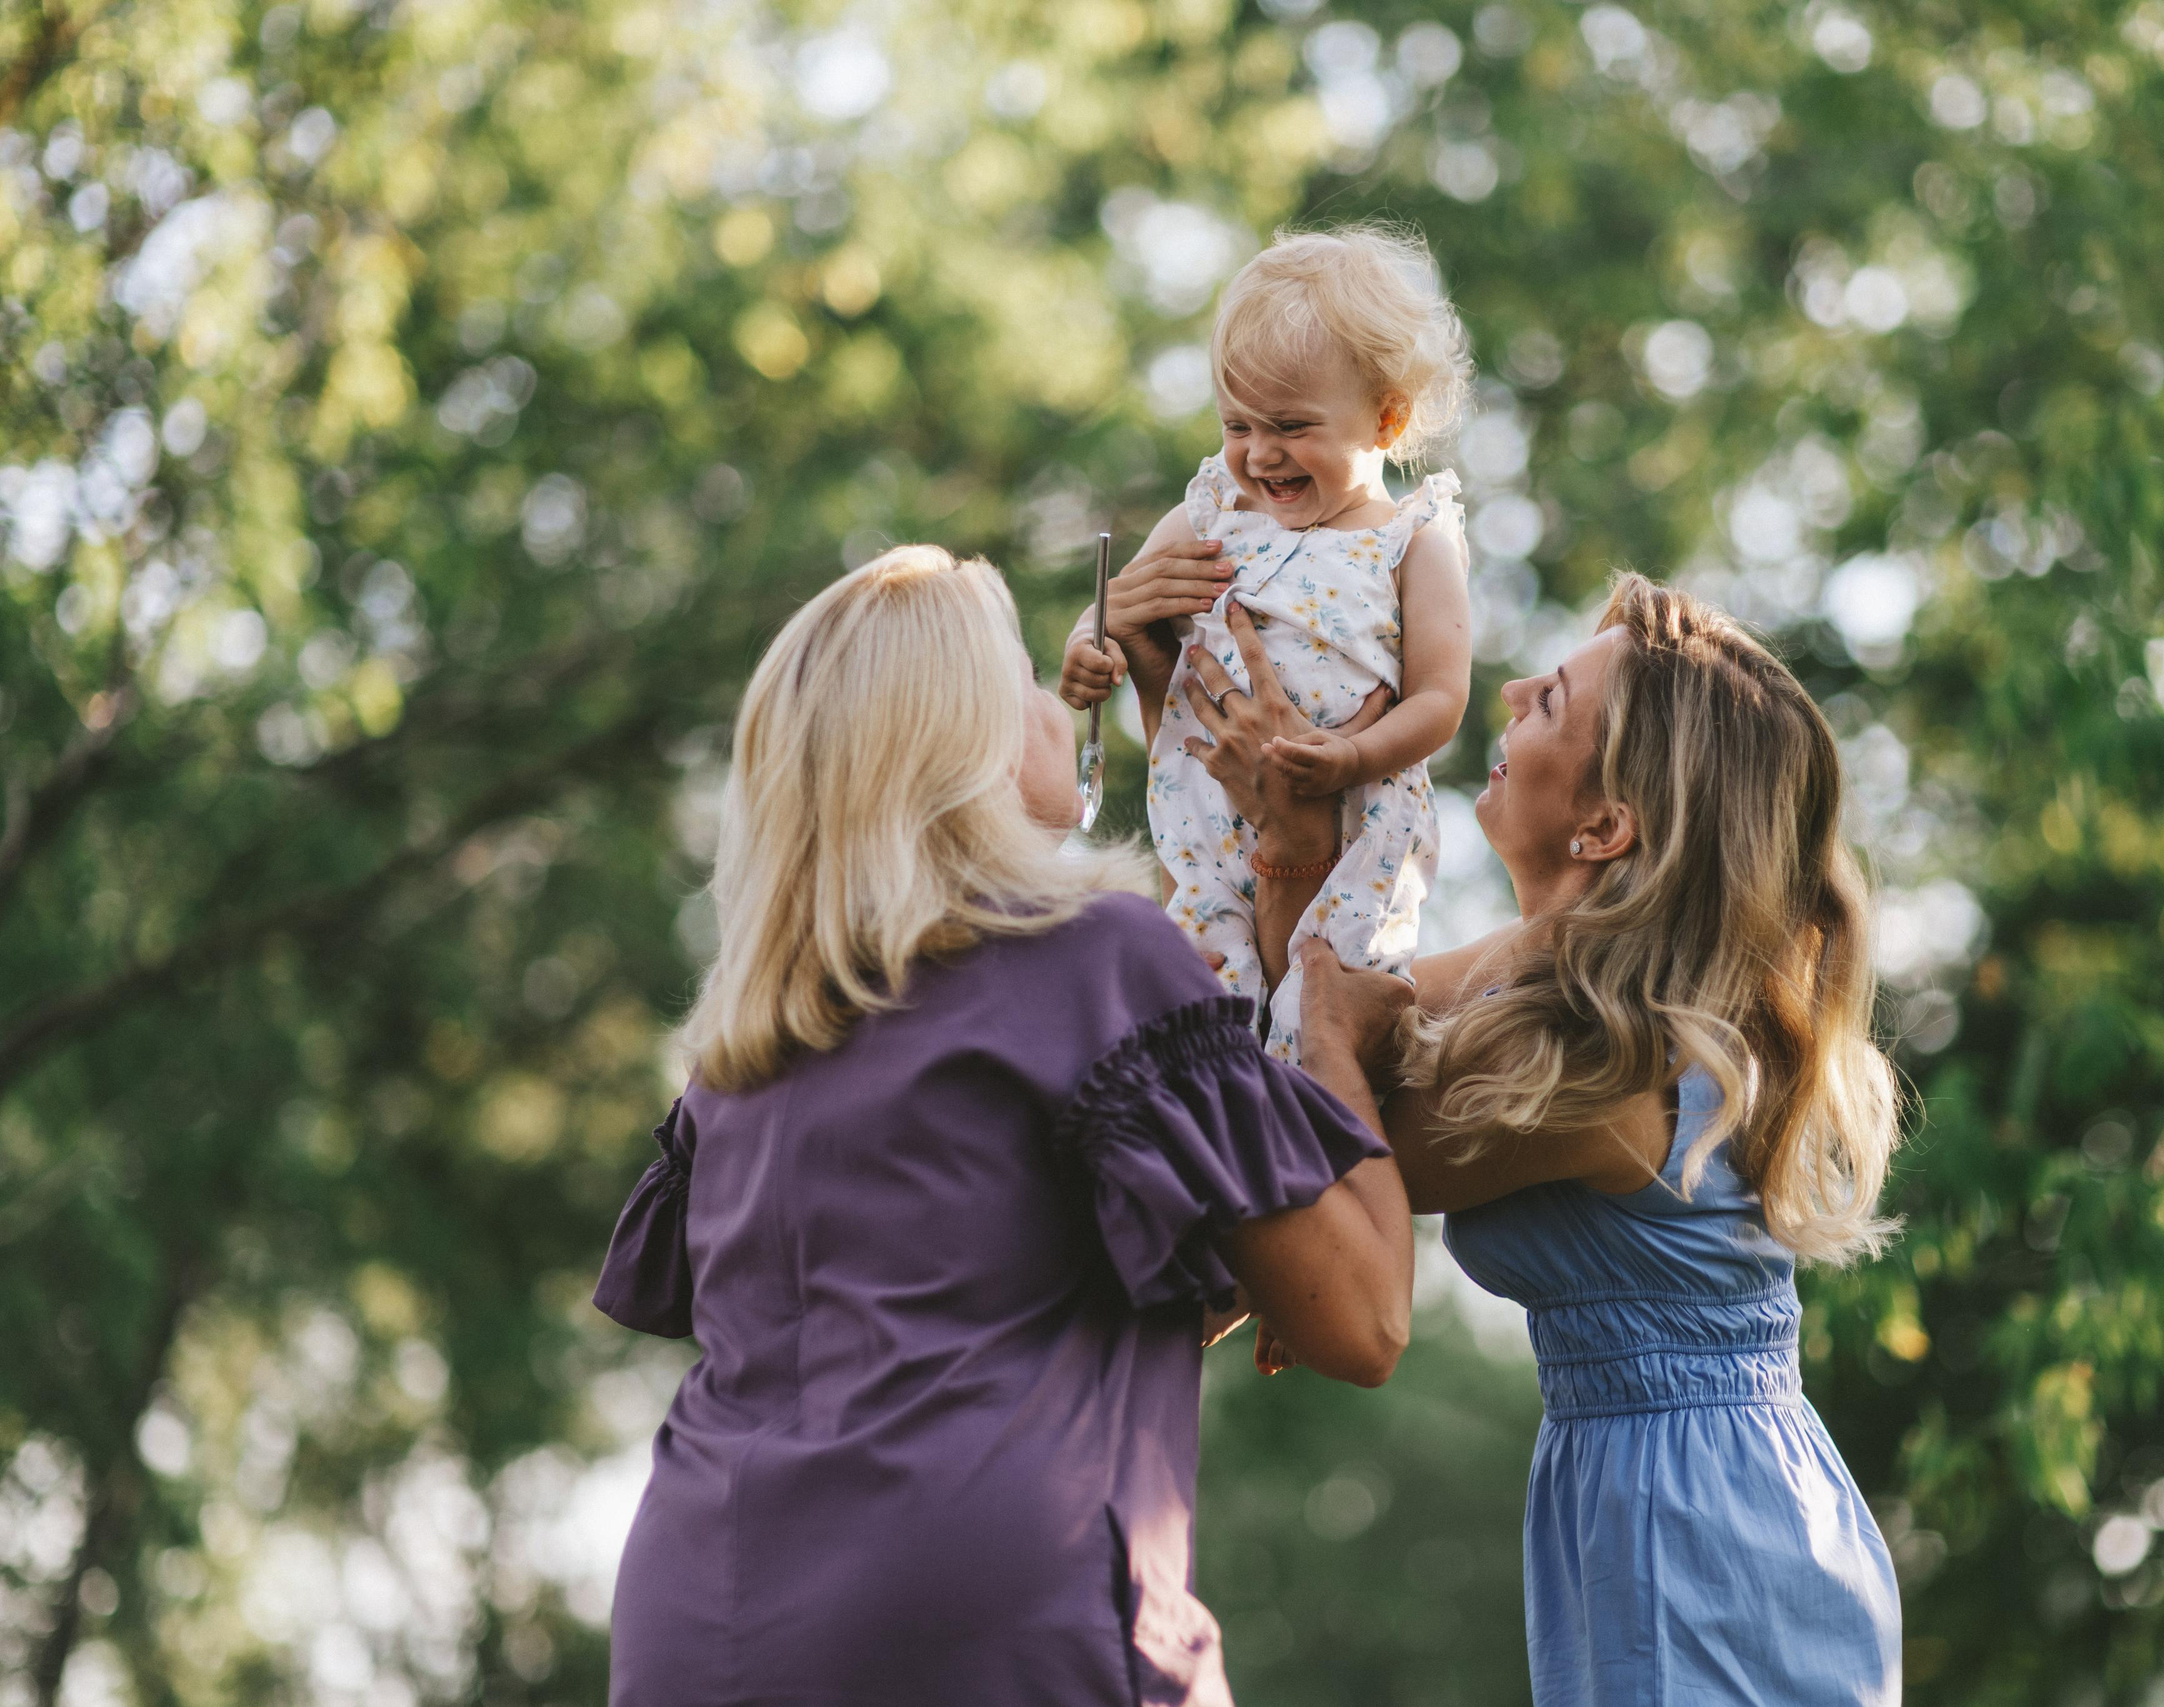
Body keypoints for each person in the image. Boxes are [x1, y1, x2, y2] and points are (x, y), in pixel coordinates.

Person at [591, 545, 1413, 1706]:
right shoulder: (1094, 959)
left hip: (702, 1620)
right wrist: (1331, 1032)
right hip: (994, 1624)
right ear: (961, 735)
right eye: (1023, 677)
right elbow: (1365, 1321)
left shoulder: (746, 1047)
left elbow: (998, 1302)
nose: (1050, 703)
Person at [1166, 574, 1906, 1705]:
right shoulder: (1553, 972)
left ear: (1605, 827)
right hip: (1682, 1499)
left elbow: (1318, 1137)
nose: (1509, 690)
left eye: (1550, 699)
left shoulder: (1609, 1062)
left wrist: (1296, 853)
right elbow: (1316, 1033)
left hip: (1697, 1534)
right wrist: (1294, 836)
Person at [1059, 224, 1472, 1063]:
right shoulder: (1214, 512)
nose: (1259, 453)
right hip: (1204, 817)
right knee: (1198, 1003)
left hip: (1354, 829)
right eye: (1237, 424)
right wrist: (1088, 647)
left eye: (1290, 425)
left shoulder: (1412, 541)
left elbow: (1441, 696)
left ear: (1387, 417)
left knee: (1323, 1010)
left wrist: (1352, 758)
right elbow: (1118, 603)